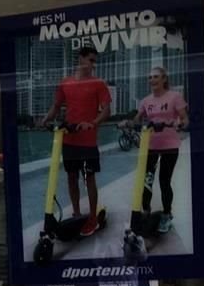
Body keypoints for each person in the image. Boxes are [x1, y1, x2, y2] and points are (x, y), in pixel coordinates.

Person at [42, 46, 112, 236]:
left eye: (94, 61)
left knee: (89, 177)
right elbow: (56, 106)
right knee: (71, 177)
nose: (93, 64)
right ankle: (77, 212)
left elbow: (106, 110)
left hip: (88, 140)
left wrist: (93, 123)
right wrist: (45, 120)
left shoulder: (98, 83)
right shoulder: (66, 83)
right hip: (69, 138)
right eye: (90, 60)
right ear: (81, 59)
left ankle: (92, 218)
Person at [122, 66, 189, 233]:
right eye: (150, 77)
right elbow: (137, 120)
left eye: (156, 77)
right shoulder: (145, 101)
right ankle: (145, 210)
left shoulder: (175, 97)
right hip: (150, 145)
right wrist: (128, 123)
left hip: (170, 145)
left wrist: (179, 123)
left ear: (164, 79)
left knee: (164, 181)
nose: (152, 80)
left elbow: (185, 119)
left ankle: (167, 214)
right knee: (147, 180)